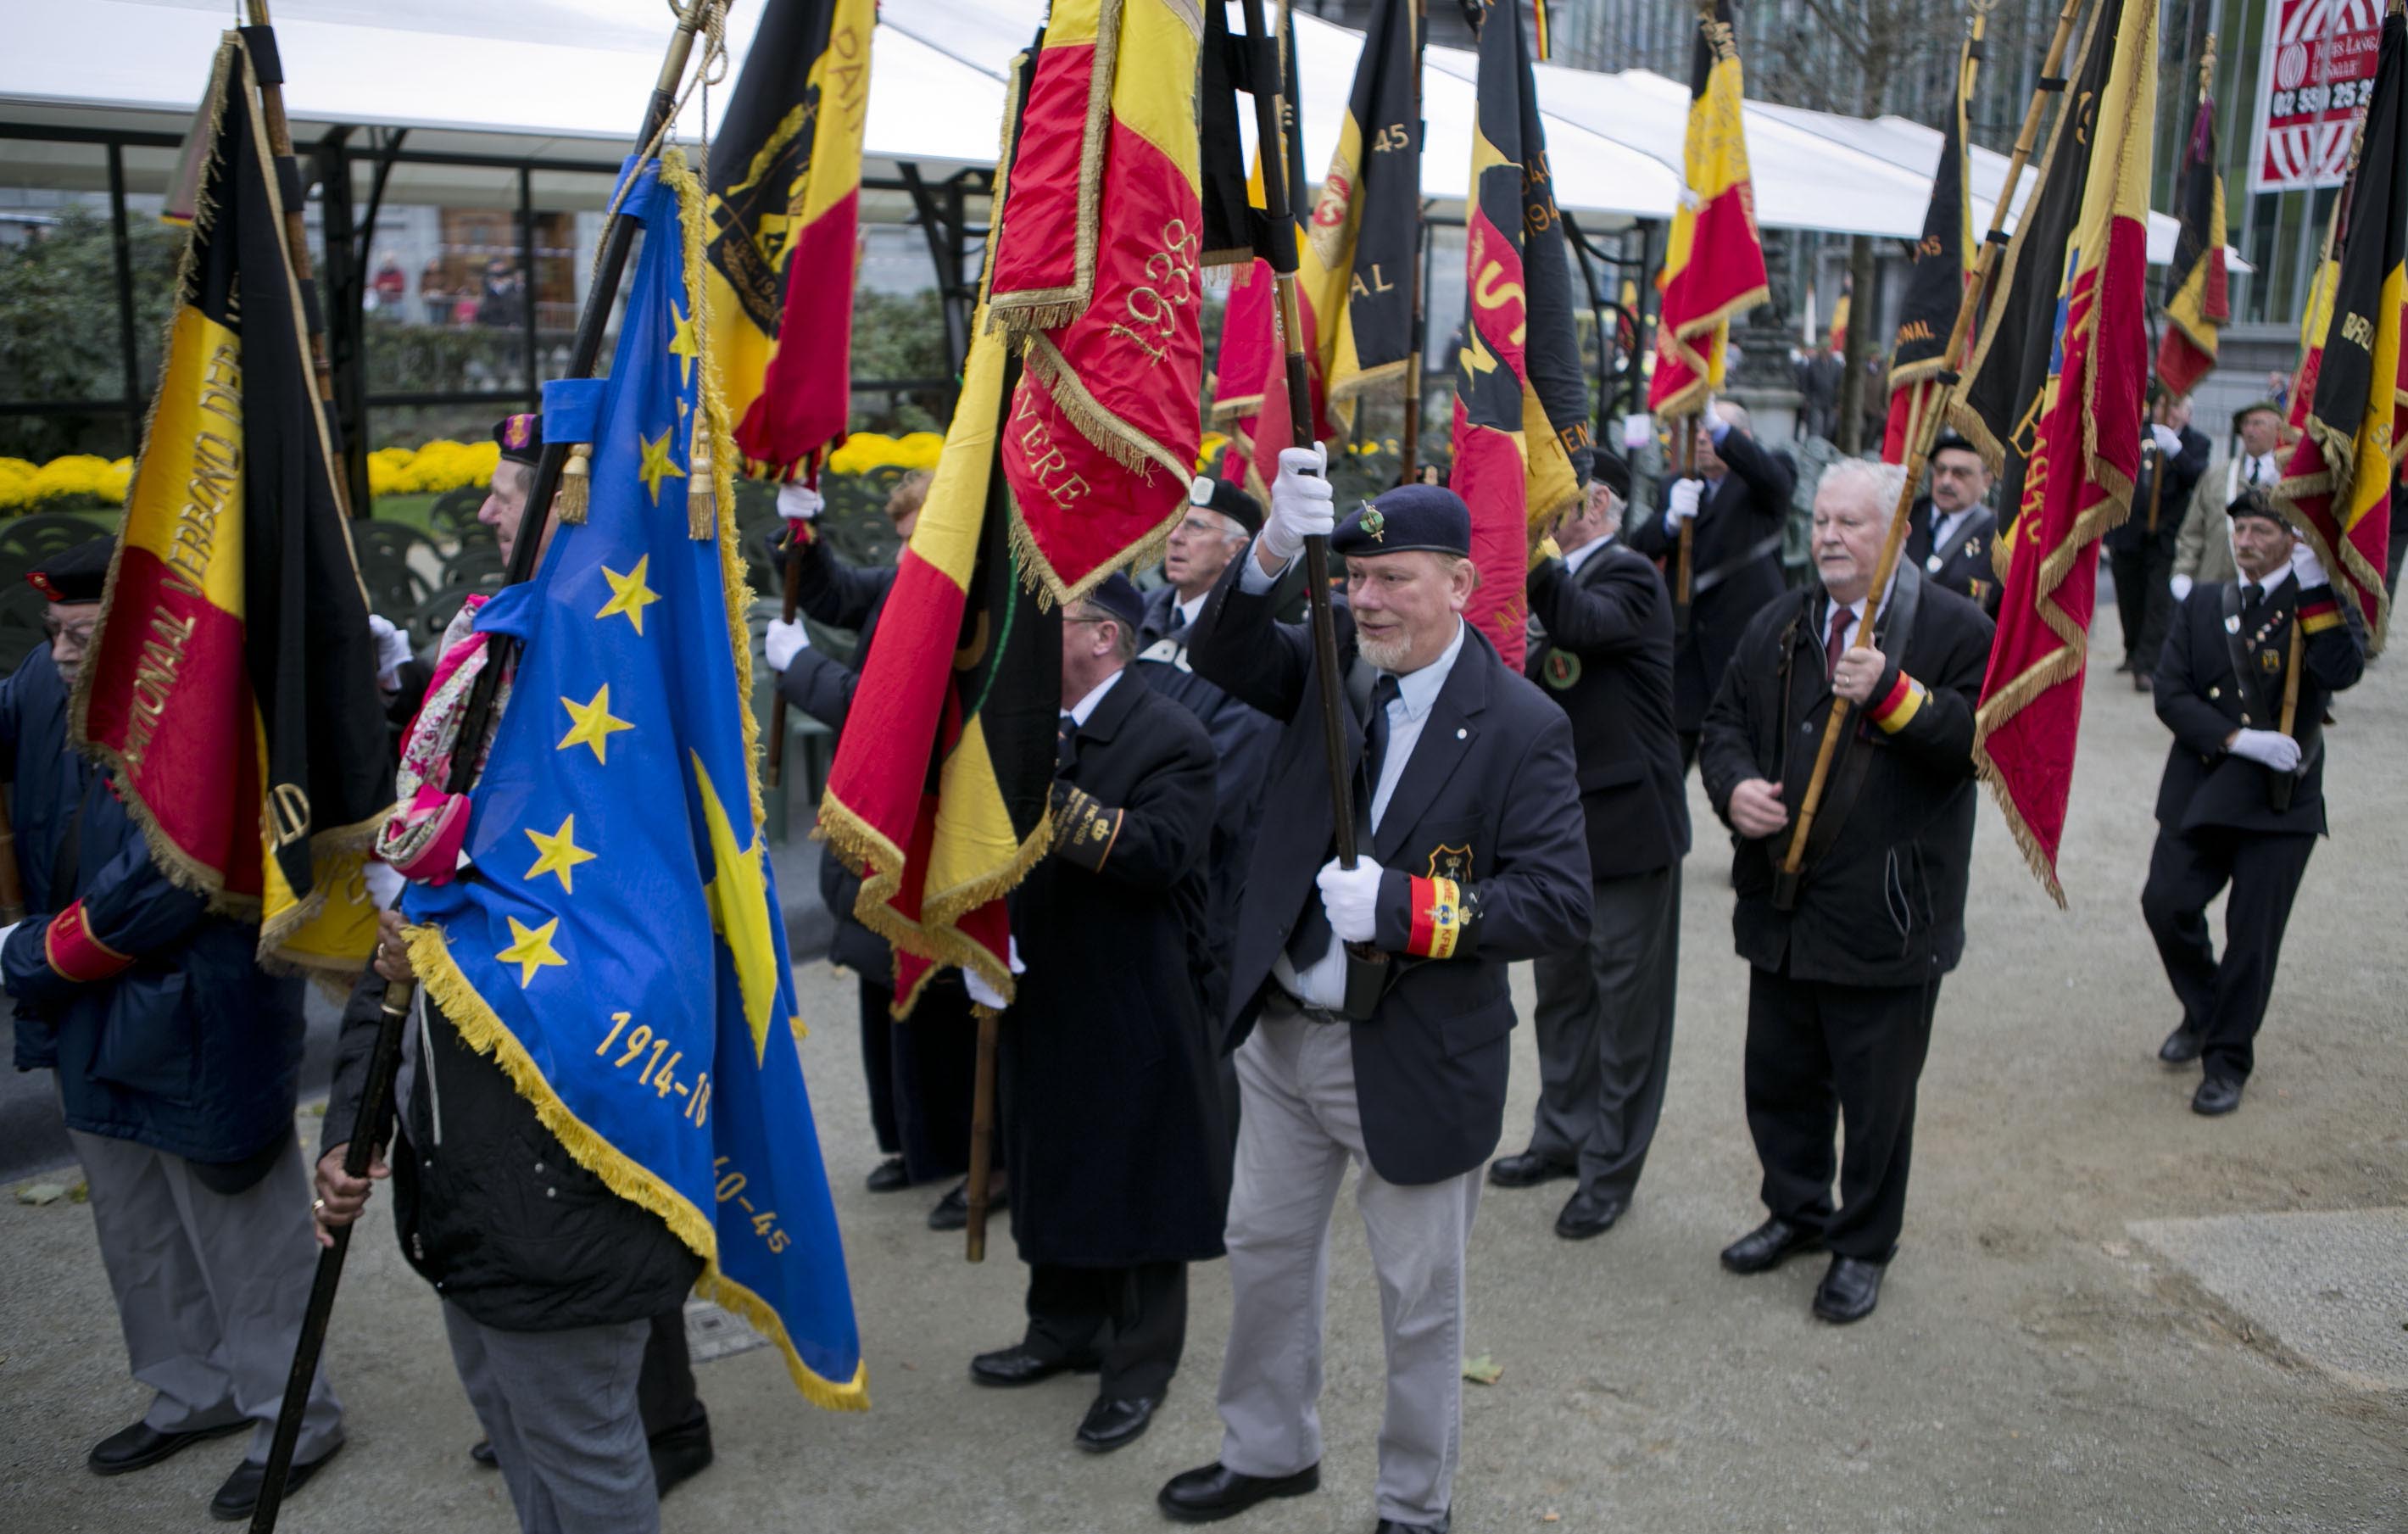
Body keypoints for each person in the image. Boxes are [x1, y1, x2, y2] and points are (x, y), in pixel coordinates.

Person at [1159, 460, 1591, 1532]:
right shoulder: (1334, 662)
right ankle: (1268, 1450)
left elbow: (1554, 903)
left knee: (1418, 1301)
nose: (1367, 600)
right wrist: (1265, 553)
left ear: (1459, 583)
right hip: (1283, 1031)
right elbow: (1220, 649)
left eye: (1393, 579)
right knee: (1261, 1254)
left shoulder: (1520, 724)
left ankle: (1412, 1502)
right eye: (1353, 578)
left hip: (1411, 1049)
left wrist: (1406, 909)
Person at [315, 414, 704, 1533]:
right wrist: (355, 1123)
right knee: (524, 1436)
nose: (484, 511)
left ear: (569, 510)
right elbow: (403, 922)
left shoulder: (621, 717)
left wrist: (435, 933)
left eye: (506, 492)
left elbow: (623, 961)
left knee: (582, 1456)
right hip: (462, 1189)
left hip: (557, 1194)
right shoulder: (485, 661)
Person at [3, 538, 344, 1521]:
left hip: (198, 1016)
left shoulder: (203, 715)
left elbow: (161, 889)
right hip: (89, 1017)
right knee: (135, 1225)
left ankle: (295, 1418)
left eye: (82, 635)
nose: (62, 656)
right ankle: (193, 1390)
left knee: (248, 1238)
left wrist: (26, 955)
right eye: (55, 635)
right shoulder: (46, 679)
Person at [1697, 460, 1994, 1325]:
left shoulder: (1953, 627)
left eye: (1849, 523)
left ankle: (1861, 1247)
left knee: (1873, 1102)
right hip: (1782, 905)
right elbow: (1722, 725)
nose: (1827, 536)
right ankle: (1795, 1212)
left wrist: (1896, 697)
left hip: (1887, 914)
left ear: (1897, 531)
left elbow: (1978, 744)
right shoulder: (1781, 621)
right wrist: (1734, 787)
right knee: (1779, 1080)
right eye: (1820, 520)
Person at [965, 573, 1228, 1454]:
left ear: (1104, 637)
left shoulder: (1170, 735)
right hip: (1044, 981)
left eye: (1054, 622)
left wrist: (1043, 788)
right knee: (1052, 1160)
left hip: (1135, 998)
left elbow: (1156, 853)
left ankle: (1139, 1363)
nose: (1033, 640)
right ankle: (1062, 1328)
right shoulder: (1036, 720)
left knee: (1141, 1178)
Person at [761, 470, 989, 1230]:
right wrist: (802, 537)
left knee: (934, 995)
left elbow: (888, 709)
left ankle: (959, 1146)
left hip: (929, 825)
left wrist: (800, 669)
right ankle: (913, 1141)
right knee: (880, 987)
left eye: (915, 535)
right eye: (898, 539)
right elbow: (836, 594)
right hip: (878, 835)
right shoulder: (910, 579)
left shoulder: (963, 600)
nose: (901, 556)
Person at [1488, 464, 1688, 1240]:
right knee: (1562, 993)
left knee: (1627, 1008)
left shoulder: (1631, 573)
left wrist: (1521, 531)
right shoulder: (1553, 583)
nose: (1541, 513)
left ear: (1598, 502)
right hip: (1558, 830)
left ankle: (1611, 1168)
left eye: (1552, 499)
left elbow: (1581, 624)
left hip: (1628, 830)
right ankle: (1560, 1135)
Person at [2142, 490, 2364, 1115]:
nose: (2244, 540)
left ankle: (2227, 1060)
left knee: (2251, 939)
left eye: (2261, 530)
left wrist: (2318, 590)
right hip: (2204, 782)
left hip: (2279, 801)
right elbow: (2169, 691)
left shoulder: (2317, 605)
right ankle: (2206, 1008)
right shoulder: (2206, 603)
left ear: (2293, 540)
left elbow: (2342, 669)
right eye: (2239, 529)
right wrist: (2239, 738)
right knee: (2166, 903)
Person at [1137, 476, 1279, 1035]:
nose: (1175, 539)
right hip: (1124, 875)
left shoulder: (1257, 647)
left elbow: (1220, 795)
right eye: (1174, 525)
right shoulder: (1134, 620)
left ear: (1237, 549)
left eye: (1194, 527)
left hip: (1196, 904)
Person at [1624, 398, 1798, 769]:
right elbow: (1640, 545)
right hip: (1687, 648)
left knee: (1746, 768)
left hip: (1742, 642)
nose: (1701, 439)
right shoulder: (1679, 483)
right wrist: (1669, 522)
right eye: (1698, 431)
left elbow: (1774, 480)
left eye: (1711, 431)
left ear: (1742, 437)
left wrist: (1722, 430)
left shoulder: (1765, 478)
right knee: (1667, 768)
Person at [2107, 393, 2210, 689]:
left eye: (2176, 406)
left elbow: (2199, 478)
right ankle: (2132, 650)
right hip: (2129, 534)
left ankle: (2148, 666)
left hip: (2166, 537)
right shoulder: (2137, 436)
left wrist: (2177, 452)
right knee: (2129, 597)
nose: (2169, 412)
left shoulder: (2196, 443)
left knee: (2158, 603)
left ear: (2188, 414)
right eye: (2164, 405)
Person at [2172, 399, 2287, 598]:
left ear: (2279, 430)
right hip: (2214, 585)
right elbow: (2192, 531)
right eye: (2246, 424)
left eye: (2258, 423)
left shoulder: (2288, 479)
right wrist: (2183, 573)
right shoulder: (2216, 476)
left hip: (2270, 592)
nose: (2250, 430)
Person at [1902, 432, 2004, 619]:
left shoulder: (2000, 539)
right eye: (1940, 470)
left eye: (1960, 474)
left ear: (1987, 479)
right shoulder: (1906, 515)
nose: (1946, 481)